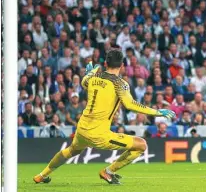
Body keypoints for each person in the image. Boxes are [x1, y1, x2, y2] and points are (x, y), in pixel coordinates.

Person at [33, 49, 175, 185]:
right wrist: (157, 112)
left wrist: (90, 72)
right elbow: (130, 104)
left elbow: (84, 82)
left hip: (82, 129)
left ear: (105, 64)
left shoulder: (94, 79)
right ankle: (108, 171)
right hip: (98, 134)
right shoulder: (120, 84)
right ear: (122, 66)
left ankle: (41, 175)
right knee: (141, 145)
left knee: (71, 151)